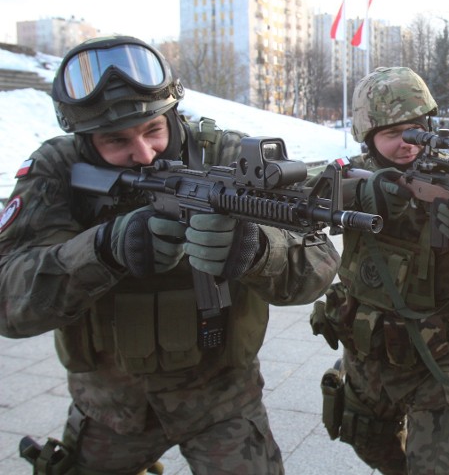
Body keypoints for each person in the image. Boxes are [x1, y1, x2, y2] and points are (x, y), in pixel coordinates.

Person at [0, 36, 341, 474]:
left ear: (173, 114)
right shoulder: (57, 170)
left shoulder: (225, 156)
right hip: (111, 408)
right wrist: (102, 249)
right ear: (84, 139)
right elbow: (8, 302)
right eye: (116, 140)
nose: (142, 154)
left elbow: (319, 263)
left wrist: (257, 250)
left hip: (220, 401)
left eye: (153, 130)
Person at [311, 66, 449, 474]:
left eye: (414, 130)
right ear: (368, 138)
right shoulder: (354, 175)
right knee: (363, 438)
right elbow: (293, 191)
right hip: (367, 347)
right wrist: (364, 192)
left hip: (440, 356)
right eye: (391, 134)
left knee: (442, 465)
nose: (407, 144)